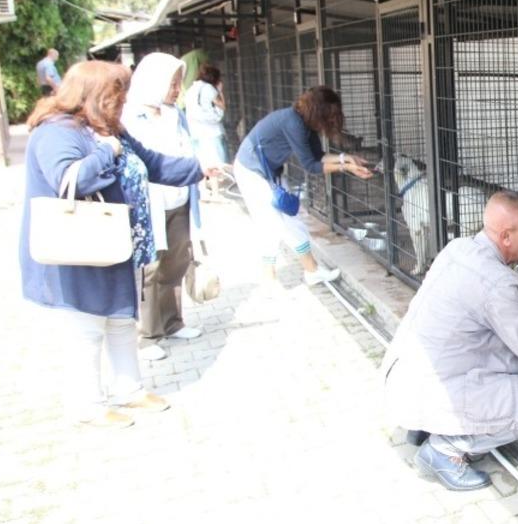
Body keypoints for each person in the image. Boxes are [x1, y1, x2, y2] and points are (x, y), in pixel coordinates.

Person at [19, 61, 217, 428]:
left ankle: (129, 390)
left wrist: (199, 168)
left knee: (121, 319)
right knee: (87, 327)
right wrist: (104, 153)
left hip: (112, 244)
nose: (123, 101)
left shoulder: (108, 129)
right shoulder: (57, 133)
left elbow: (151, 163)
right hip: (77, 251)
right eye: (117, 94)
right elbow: (69, 180)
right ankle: (87, 405)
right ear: (94, 95)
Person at [382, 190, 518, 491]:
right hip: (432, 389)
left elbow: (492, 287)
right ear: (506, 236)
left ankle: (426, 426)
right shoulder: (497, 283)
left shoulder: (458, 248)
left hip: (404, 380)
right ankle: (445, 449)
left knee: (504, 362)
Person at [232, 85, 373, 285]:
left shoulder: (305, 123)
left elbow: (318, 156)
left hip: (270, 173)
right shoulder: (293, 123)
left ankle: (311, 271)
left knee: (292, 218)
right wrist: (345, 167)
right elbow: (311, 165)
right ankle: (270, 277)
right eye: (330, 114)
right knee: (272, 224)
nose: (333, 120)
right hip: (251, 171)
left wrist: (346, 158)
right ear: (319, 111)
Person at [121, 53, 203, 360]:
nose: (176, 89)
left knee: (177, 261)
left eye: (179, 82)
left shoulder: (174, 113)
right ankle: (148, 334)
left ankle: (173, 322)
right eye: (172, 82)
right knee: (150, 267)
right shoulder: (129, 117)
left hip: (179, 198)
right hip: (149, 203)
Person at [184, 62, 226, 197]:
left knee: (201, 161)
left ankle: (203, 191)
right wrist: (220, 91)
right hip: (210, 131)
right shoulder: (209, 89)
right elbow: (222, 106)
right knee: (213, 161)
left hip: (194, 131)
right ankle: (216, 193)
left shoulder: (191, 89)